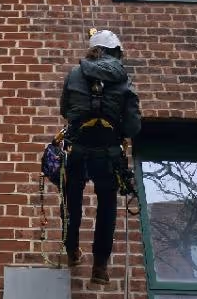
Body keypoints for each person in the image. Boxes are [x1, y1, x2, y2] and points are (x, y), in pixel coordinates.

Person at [59, 28, 141, 284]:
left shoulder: (74, 74)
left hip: (78, 150)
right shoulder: (124, 80)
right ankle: (100, 267)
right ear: (115, 51)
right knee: (107, 208)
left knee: (71, 203)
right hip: (108, 154)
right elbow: (132, 127)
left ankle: (71, 251)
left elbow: (64, 110)